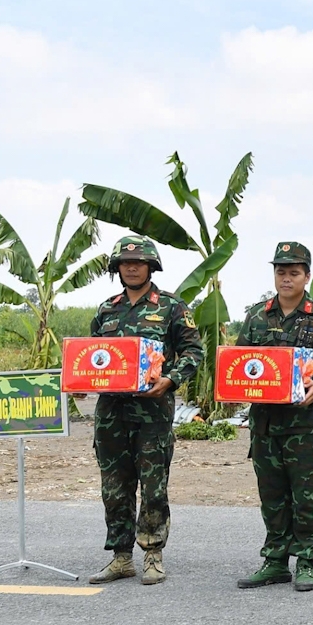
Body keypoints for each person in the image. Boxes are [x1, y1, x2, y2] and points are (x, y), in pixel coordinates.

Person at [236, 242, 313, 593]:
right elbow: (241, 363)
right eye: (280, 271)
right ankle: (274, 561)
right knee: (271, 495)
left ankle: (306, 560)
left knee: (305, 496)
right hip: (265, 424)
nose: (286, 278)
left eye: (294, 272)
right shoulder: (257, 315)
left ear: (306, 275)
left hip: (303, 425)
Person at [86, 236, 204, 586]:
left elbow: (193, 352)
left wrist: (170, 379)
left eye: (139, 262)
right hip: (111, 413)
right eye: (125, 263)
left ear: (152, 266)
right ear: (117, 268)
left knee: (153, 487)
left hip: (152, 412)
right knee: (114, 488)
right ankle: (121, 557)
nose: (132, 267)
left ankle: (153, 554)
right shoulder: (107, 309)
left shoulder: (171, 307)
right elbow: (93, 356)